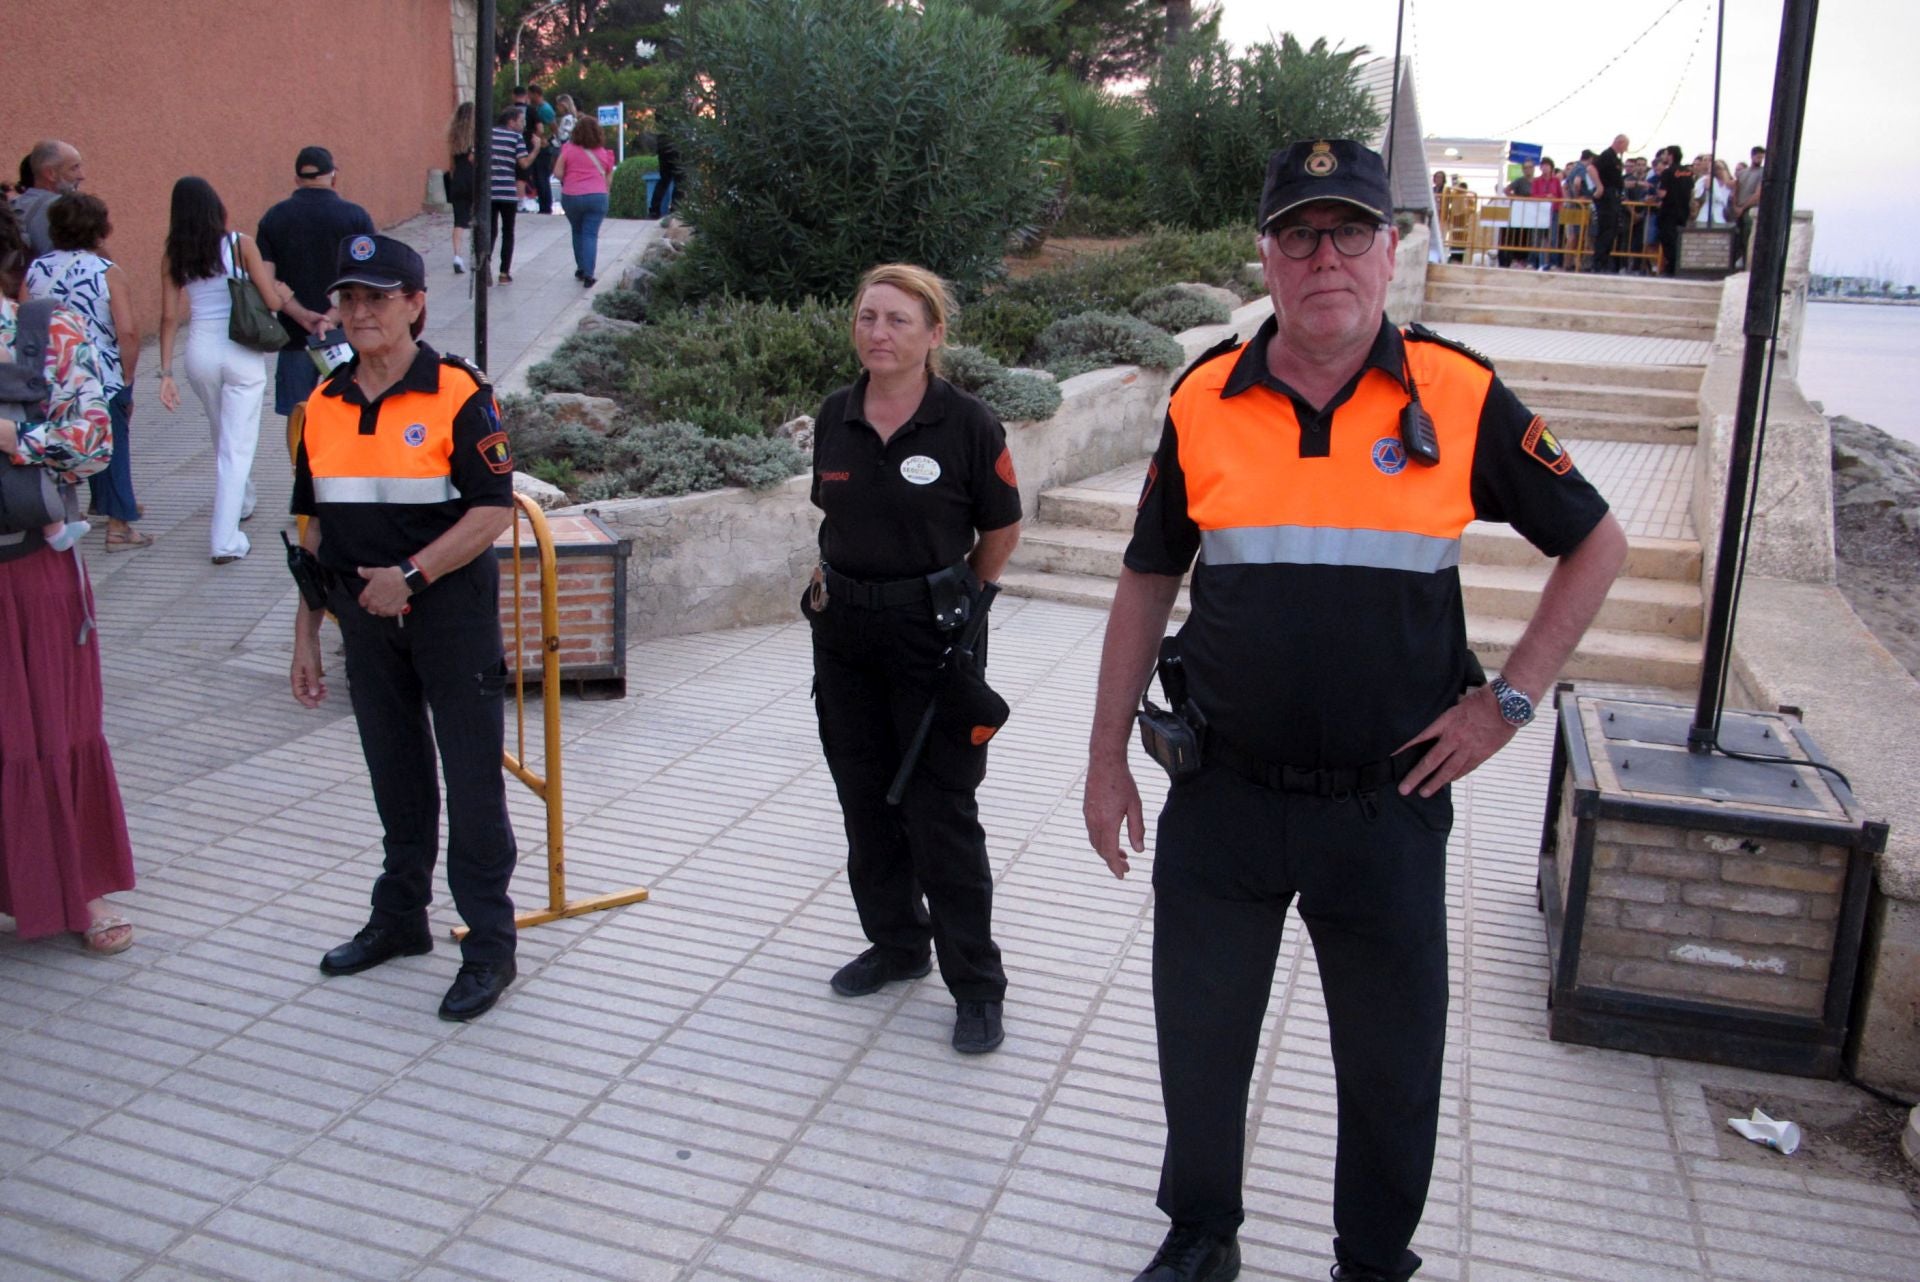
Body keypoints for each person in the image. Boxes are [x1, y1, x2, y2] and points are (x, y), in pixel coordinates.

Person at [1083, 139, 1626, 1282]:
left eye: (1348, 233)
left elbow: (1595, 538)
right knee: (1201, 1038)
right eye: (1297, 234)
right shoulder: (1205, 401)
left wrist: (1507, 703)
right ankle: (1200, 1234)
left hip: (1388, 806)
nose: (1323, 257)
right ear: (1268, 259)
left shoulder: (1460, 393)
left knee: (1391, 1062)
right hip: (1221, 794)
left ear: (1390, 250)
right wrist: (1103, 758)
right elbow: (1145, 577)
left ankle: (1374, 1259)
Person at [290, 233, 520, 1021]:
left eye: (377, 298)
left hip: (447, 615)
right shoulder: (321, 403)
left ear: (416, 304)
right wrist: (307, 633)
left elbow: (493, 510)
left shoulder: (459, 393)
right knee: (396, 777)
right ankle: (399, 920)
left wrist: (412, 575)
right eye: (349, 299)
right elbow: (312, 528)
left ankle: (489, 947)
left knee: (473, 783)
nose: (360, 313)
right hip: (362, 620)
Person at [805, 262, 1023, 1056]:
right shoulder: (835, 415)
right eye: (868, 317)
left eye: (898, 320)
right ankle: (898, 945)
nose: (879, 333)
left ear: (934, 334)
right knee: (865, 802)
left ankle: (977, 986)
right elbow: (833, 515)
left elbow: (1000, 527)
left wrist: (969, 597)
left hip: (932, 640)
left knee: (941, 817)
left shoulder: (968, 424)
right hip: (846, 639)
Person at [0, 203, 138, 956]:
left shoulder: (42, 330)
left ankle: (73, 892)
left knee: (50, 729)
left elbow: (91, 443)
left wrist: (14, 438)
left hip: (27, 566)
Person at [156, 176, 289, 564]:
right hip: (240, 352)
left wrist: (165, 373)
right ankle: (225, 540)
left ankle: (243, 499)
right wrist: (281, 292)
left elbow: (168, 317)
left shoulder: (173, 254)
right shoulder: (240, 244)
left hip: (199, 352)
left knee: (222, 434)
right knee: (236, 445)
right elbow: (271, 301)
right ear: (216, 206)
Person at [25, 193, 147, 550]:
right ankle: (119, 527)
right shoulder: (106, 272)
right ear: (99, 229)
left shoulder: (37, 268)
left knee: (64, 440)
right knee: (114, 444)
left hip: (51, 373)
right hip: (99, 373)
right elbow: (127, 331)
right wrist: (128, 378)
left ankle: (71, 513)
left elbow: (26, 319)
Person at [256, 146, 375, 419]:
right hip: (348, 334)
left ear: (297, 179)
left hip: (295, 337)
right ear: (334, 176)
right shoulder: (356, 217)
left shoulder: (274, 218)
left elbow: (266, 280)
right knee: (352, 413)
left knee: (299, 420)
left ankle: (301, 464)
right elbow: (366, 277)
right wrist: (330, 318)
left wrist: (302, 316)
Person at [555, 116, 615, 286]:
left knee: (577, 231)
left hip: (572, 196)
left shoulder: (567, 149)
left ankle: (581, 268)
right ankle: (589, 274)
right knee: (590, 234)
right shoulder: (605, 154)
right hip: (597, 197)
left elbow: (558, 173)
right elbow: (608, 181)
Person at [8, 139, 85, 259]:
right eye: (74, 168)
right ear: (51, 174)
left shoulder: (12, 205)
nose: (81, 176)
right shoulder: (63, 209)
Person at [487, 106, 533, 282]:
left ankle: (485, 267)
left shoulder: (487, 133)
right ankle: (504, 273)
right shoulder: (516, 137)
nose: (523, 125)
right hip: (507, 191)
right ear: (511, 121)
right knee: (508, 231)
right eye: (521, 121)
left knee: (489, 231)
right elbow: (523, 163)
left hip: (489, 192)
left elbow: (473, 158)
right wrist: (535, 149)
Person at [445, 103, 477, 274]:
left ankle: (457, 256)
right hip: (473, 179)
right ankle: (476, 255)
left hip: (458, 179)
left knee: (459, 221)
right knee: (477, 218)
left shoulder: (454, 137)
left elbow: (451, 165)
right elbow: (473, 159)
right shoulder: (475, 135)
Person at [1590, 133, 1628, 272]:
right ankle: (1598, 263)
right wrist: (1599, 186)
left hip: (1614, 197)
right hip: (1606, 197)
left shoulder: (1615, 158)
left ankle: (1604, 262)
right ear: (1620, 142)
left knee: (1611, 230)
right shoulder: (1607, 155)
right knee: (1605, 230)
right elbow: (1591, 168)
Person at [1655, 145, 1694, 276]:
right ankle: (1676, 267)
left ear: (1670, 155)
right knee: (1679, 240)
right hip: (1683, 211)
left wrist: (1654, 193)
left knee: (1668, 240)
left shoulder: (1667, 172)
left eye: (1665, 154)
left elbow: (1662, 193)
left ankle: (1671, 268)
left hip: (1669, 211)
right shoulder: (1688, 172)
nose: (1663, 157)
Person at [1731, 145, 1766, 269]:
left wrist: (1742, 207)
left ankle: (1747, 265)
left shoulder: (1763, 173)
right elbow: (1735, 190)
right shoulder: (1742, 173)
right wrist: (1735, 206)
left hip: (1750, 209)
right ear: (1752, 156)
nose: (1760, 160)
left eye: (1761, 157)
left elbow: (1758, 194)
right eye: (1758, 157)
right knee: (1737, 237)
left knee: (1747, 236)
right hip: (1739, 208)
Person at [527, 84, 560, 215]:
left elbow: (553, 126)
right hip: (540, 146)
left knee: (542, 177)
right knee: (539, 177)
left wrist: (546, 138)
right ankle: (543, 205)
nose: (529, 97)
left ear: (535, 94)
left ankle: (546, 206)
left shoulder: (545, 109)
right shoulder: (539, 108)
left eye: (530, 94)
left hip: (543, 148)